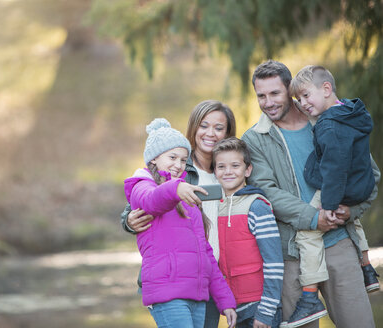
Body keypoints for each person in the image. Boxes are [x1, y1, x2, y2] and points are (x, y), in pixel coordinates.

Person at [241, 59, 380, 328]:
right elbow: (267, 192)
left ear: (290, 90)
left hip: (339, 242)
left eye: (275, 93)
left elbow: (368, 175)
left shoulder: (330, 121)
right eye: (261, 95)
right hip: (291, 253)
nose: (268, 102)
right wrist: (313, 218)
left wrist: (352, 211)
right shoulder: (255, 139)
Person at [121, 99, 237, 328]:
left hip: (198, 290)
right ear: (154, 158)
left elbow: (205, 252)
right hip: (168, 290)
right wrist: (176, 189)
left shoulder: (231, 168)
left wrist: (226, 300)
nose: (178, 164)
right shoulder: (144, 184)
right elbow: (150, 202)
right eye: (172, 158)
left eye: (183, 160)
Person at [212, 137, 284, 328]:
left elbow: (274, 262)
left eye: (235, 165)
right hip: (233, 309)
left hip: (259, 307)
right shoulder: (213, 209)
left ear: (248, 170)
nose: (228, 171)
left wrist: (266, 312)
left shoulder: (257, 207)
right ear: (214, 171)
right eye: (221, 166)